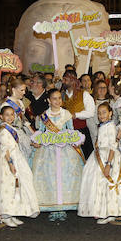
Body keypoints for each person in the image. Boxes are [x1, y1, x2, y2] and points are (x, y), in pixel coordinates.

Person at [77, 102, 121, 224]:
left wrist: (108, 164)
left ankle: (109, 212)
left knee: (106, 183)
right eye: (99, 113)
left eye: (104, 112)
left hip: (109, 157)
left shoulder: (111, 127)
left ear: (110, 113)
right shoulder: (102, 125)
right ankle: (102, 210)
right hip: (99, 155)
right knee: (98, 184)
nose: (101, 115)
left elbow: (113, 146)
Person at [33, 89, 85, 221]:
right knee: (50, 178)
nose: (57, 101)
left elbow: (71, 130)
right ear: (49, 100)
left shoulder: (66, 114)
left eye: (59, 98)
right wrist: (38, 140)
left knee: (65, 177)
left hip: (65, 151)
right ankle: (53, 206)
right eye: (54, 99)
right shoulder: (44, 116)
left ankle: (62, 207)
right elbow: (40, 131)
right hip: (48, 151)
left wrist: (74, 140)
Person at [0, 105, 39, 225]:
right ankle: (5, 214)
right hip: (8, 160)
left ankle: (12, 212)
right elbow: (5, 150)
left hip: (16, 157)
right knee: (8, 186)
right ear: (1, 116)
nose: (10, 117)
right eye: (7, 115)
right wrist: (10, 164)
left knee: (17, 187)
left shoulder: (11, 128)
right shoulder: (3, 130)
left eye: (12, 114)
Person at [60, 70, 96, 158]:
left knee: (84, 158)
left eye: (66, 79)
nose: (63, 81)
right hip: (65, 132)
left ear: (73, 80)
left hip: (81, 131)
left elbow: (91, 112)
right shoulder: (61, 95)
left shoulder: (84, 94)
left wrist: (75, 115)